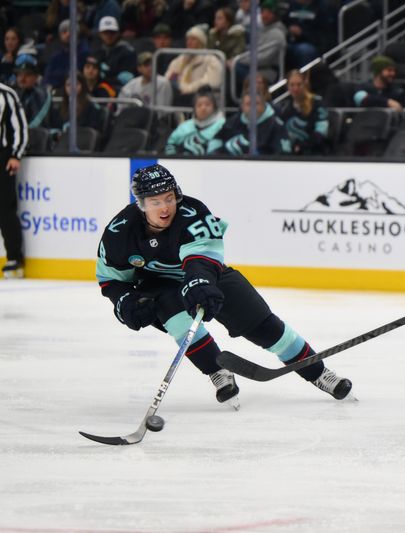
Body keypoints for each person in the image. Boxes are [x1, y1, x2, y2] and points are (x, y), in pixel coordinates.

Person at [95, 164, 354, 409]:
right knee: (177, 320)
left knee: (261, 324)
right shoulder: (119, 232)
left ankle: (319, 372)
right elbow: (112, 280)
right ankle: (217, 370)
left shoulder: (193, 213)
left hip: (206, 276)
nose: (165, 208)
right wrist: (126, 302)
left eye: (169, 198)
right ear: (141, 205)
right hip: (158, 285)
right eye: (155, 202)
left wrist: (199, 282)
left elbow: (202, 260)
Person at [0, 81, 27, 278]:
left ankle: (14, 258)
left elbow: (19, 127)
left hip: (3, 157)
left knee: (5, 209)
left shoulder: (6, 93)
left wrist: (15, 154)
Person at [220, 84, 292, 155]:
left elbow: (283, 154)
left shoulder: (276, 126)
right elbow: (217, 141)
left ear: (263, 104)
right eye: (248, 104)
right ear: (242, 106)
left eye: (256, 104)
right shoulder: (232, 123)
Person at [165, 25, 224, 106]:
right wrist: (178, 85)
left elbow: (213, 82)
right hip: (179, 93)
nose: (189, 42)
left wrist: (188, 89)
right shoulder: (181, 59)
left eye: (193, 39)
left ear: (201, 42)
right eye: (188, 39)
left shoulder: (210, 59)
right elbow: (169, 76)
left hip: (199, 96)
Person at [278, 69, 329, 155]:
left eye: (299, 84)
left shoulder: (317, 103)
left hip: (314, 153)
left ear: (305, 84)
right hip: (290, 154)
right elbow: (281, 133)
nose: (295, 88)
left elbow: (321, 132)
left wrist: (302, 146)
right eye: (292, 85)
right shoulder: (285, 107)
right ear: (287, 87)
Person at [163, 88, 225, 155]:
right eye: (199, 105)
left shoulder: (222, 125)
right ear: (194, 109)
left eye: (207, 104)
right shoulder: (185, 126)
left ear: (214, 107)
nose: (203, 108)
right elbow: (171, 144)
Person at [92, 16, 137, 92]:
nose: (109, 36)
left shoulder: (127, 52)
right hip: (100, 91)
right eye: (105, 32)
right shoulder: (97, 52)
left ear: (118, 33)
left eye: (112, 32)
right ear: (100, 34)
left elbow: (124, 79)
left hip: (120, 92)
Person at [13, 55, 53, 129]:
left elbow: (37, 122)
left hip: (37, 136)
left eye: (27, 75)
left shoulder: (42, 95)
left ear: (36, 77)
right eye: (19, 74)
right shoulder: (13, 93)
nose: (22, 79)